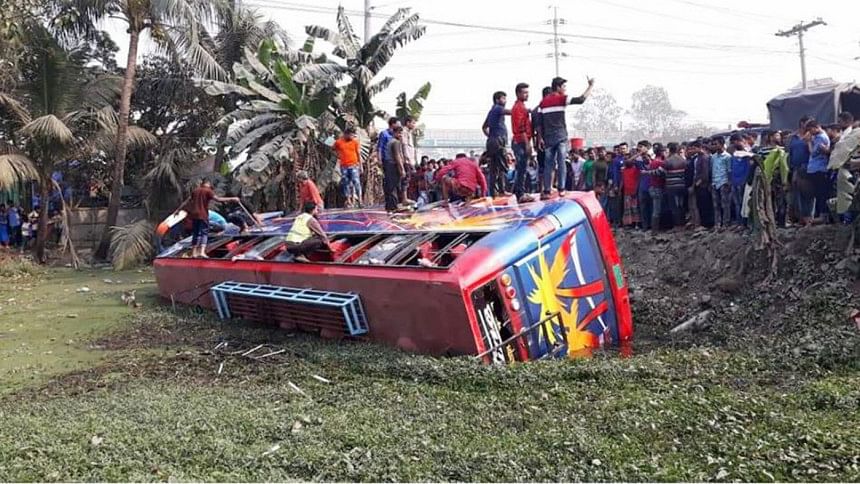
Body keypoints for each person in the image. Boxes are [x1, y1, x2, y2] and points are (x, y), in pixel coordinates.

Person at [536, 76, 594, 199]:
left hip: (548, 138)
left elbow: (539, 123)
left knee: (548, 165)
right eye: (563, 87)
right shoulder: (562, 98)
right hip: (561, 136)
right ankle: (561, 188)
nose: (565, 89)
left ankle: (547, 190)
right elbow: (581, 99)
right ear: (558, 87)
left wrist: (540, 138)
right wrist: (590, 86)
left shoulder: (543, 102)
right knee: (561, 162)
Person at [179, 179, 239, 258]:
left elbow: (187, 201)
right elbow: (218, 199)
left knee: (196, 234)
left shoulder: (195, 191)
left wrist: (178, 210)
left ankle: (194, 253)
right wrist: (232, 199)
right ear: (208, 183)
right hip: (203, 215)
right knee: (204, 233)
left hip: (194, 215)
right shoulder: (208, 191)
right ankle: (202, 252)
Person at [482, 91, 511, 197]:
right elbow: (510, 112)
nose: (505, 101)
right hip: (498, 141)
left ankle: (493, 192)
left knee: (494, 168)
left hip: (492, 142)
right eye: (503, 98)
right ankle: (502, 190)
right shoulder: (497, 108)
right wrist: (523, 110)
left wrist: (491, 136)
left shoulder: (491, 111)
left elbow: (484, 127)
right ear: (497, 100)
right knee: (502, 167)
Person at [510, 82, 534, 202]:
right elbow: (521, 128)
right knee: (522, 169)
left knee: (521, 168)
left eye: (527, 92)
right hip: (520, 141)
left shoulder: (520, 107)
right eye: (524, 93)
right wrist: (527, 144)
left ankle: (519, 192)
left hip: (520, 141)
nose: (527, 95)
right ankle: (520, 194)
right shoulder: (519, 108)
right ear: (518, 93)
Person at [805, 119, 831, 223]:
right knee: (818, 193)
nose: (810, 132)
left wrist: (808, 142)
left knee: (821, 193)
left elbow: (813, 152)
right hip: (815, 168)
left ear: (816, 127)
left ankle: (823, 215)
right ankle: (819, 214)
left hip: (819, 169)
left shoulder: (821, 138)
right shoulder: (817, 137)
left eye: (810, 130)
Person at [787, 116, 811, 223]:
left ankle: (808, 217)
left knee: (807, 193)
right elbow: (789, 152)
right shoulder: (793, 137)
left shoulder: (811, 136)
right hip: (795, 168)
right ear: (802, 123)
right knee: (796, 194)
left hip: (807, 168)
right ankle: (799, 218)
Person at [334, 127, 362, 207]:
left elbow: (358, 154)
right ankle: (348, 200)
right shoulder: (339, 142)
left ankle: (360, 200)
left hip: (354, 165)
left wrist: (361, 166)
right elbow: (333, 149)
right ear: (346, 134)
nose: (352, 136)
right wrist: (338, 155)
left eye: (353, 135)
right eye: (351, 135)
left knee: (356, 182)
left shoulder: (355, 142)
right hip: (344, 166)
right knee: (345, 183)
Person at [729, 134, 752, 226]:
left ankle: (744, 224)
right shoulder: (734, 154)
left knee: (744, 204)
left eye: (736, 142)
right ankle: (739, 223)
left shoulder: (748, 154)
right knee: (737, 204)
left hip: (744, 182)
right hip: (735, 182)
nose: (734, 144)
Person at [710, 136, 732, 229]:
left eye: (716, 144)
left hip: (724, 182)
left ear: (722, 144)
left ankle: (726, 223)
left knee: (725, 205)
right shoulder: (713, 157)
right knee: (716, 205)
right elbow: (712, 169)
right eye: (713, 144)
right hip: (715, 182)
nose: (714, 146)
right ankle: (717, 224)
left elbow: (729, 170)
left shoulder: (727, 157)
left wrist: (729, 182)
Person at [691, 141, 714, 228]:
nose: (693, 150)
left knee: (705, 205)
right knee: (700, 205)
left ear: (700, 147)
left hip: (703, 185)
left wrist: (697, 184)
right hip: (699, 184)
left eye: (694, 148)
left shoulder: (704, 158)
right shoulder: (698, 158)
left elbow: (705, 174)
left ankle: (707, 224)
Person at [664, 142, 688, 228]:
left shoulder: (668, 161)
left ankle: (677, 225)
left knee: (674, 206)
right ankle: (682, 223)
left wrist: (647, 172)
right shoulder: (683, 160)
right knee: (681, 205)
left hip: (672, 187)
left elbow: (661, 172)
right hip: (682, 185)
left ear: (670, 150)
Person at [383, 125, 406, 212]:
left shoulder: (390, 142)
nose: (401, 135)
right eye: (399, 133)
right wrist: (402, 169)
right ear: (395, 133)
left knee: (390, 186)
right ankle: (393, 206)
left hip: (388, 165)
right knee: (393, 186)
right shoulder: (395, 142)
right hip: (392, 166)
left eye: (401, 133)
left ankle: (390, 206)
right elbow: (397, 156)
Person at [620, 156, 640, 228]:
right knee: (627, 208)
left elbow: (637, 181)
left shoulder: (635, 170)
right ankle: (629, 223)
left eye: (629, 160)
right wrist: (620, 189)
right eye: (626, 161)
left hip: (633, 191)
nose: (627, 162)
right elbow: (622, 180)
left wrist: (636, 190)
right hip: (627, 192)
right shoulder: (624, 170)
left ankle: (636, 223)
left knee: (635, 208)